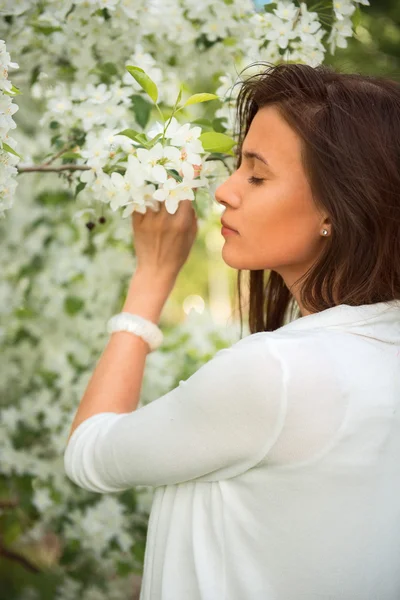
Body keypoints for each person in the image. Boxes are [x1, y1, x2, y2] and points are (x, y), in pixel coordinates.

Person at [63, 62, 400, 600]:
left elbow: (89, 454)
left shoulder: (277, 374)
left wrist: (152, 275)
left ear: (336, 210)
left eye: (256, 174)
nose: (223, 191)